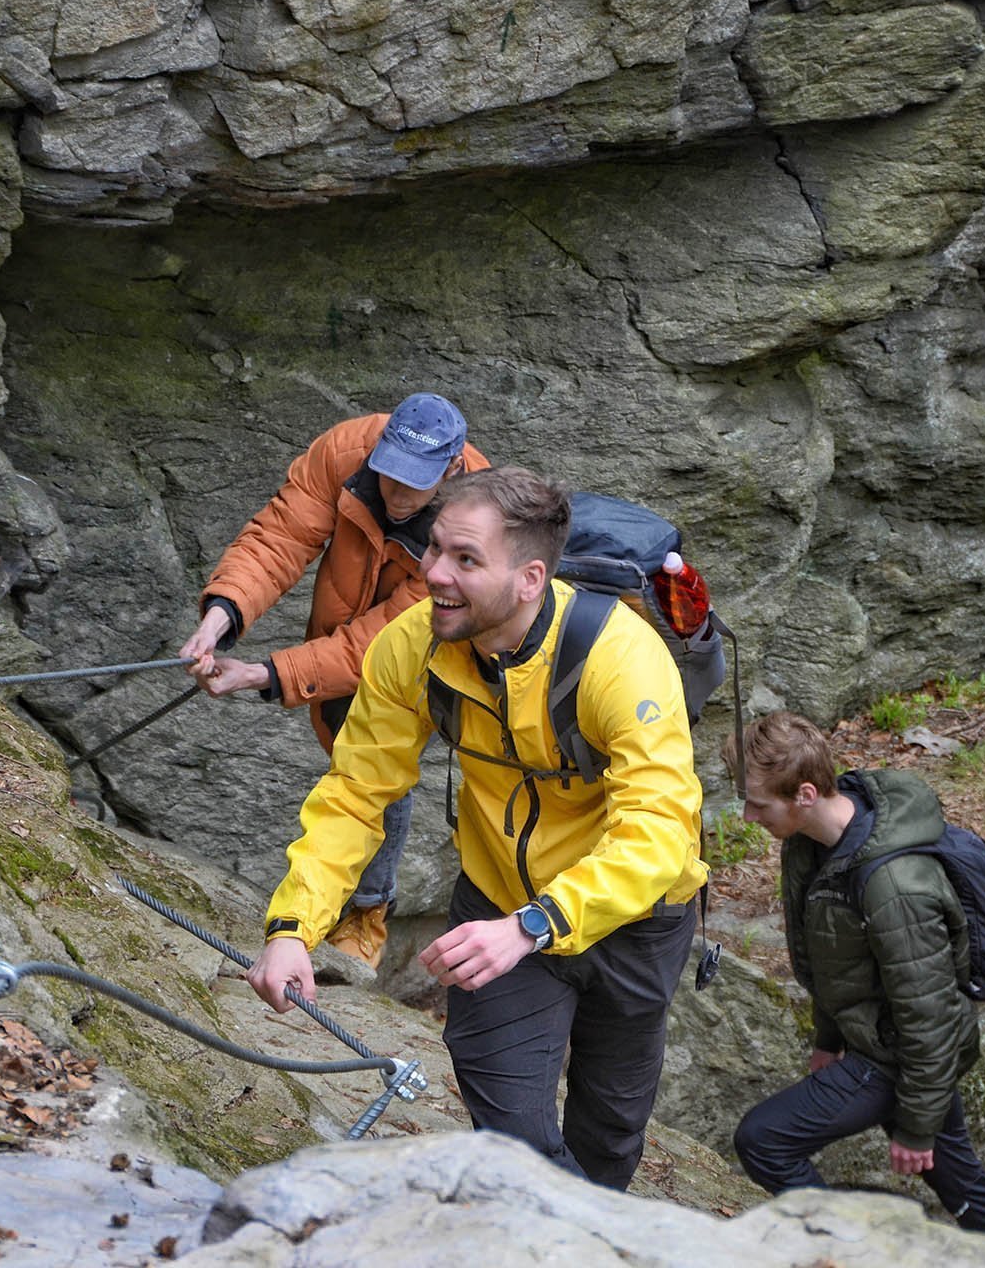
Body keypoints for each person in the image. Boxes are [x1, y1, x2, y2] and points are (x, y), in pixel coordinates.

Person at [247, 467, 708, 1190]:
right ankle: (559, 1231)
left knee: (611, 1130)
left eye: (465, 559)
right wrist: (291, 928)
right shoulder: (414, 645)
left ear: (529, 578)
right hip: (497, 899)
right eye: (434, 550)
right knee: (511, 1131)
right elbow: (356, 791)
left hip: (637, 916)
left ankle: (591, 1227)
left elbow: (659, 832)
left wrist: (533, 924)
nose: (432, 574)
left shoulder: (620, 657)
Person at [179, 394, 489, 969]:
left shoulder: (476, 530)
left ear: (451, 471)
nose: (396, 495)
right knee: (349, 754)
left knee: (379, 765)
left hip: (426, 652)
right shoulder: (347, 452)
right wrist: (219, 619)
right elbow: (280, 538)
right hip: (346, 629)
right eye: (389, 475)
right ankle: (326, 911)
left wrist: (266, 674)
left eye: (414, 485)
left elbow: (387, 639)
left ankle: (364, 917)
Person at [728, 711, 985, 1239]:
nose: (749, 817)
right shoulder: (812, 845)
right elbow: (835, 957)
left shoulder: (894, 887)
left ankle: (852, 1242)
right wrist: (828, 1037)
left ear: (806, 794)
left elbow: (930, 1014)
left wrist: (915, 1127)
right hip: (884, 1042)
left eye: (758, 804)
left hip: (897, 1055)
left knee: (763, 1140)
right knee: (965, 1190)